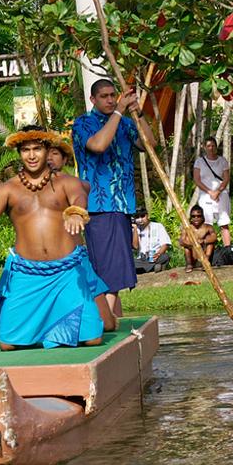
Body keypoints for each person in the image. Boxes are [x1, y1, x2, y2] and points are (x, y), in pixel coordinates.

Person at [0, 126, 115, 349]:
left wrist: (76, 212)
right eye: (25, 150)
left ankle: (56, 329)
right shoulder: (7, 188)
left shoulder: (67, 182)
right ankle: (49, 330)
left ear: (48, 150)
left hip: (67, 272)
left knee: (94, 338)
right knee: (7, 344)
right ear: (19, 153)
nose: (31, 155)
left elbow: (79, 197)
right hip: (27, 273)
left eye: (37, 149)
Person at [72, 78, 155, 318]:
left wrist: (137, 114)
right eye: (105, 96)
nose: (110, 100)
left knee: (116, 270)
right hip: (99, 206)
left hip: (121, 206)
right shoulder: (83, 123)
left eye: (112, 95)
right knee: (109, 270)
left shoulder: (125, 123)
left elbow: (150, 144)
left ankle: (114, 320)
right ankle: (104, 323)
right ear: (93, 99)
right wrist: (119, 110)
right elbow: (98, 145)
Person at [193, 136, 231, 247]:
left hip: (221, 194)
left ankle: (227, 248)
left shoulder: (222, 161)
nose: (211, 148)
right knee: (206, 223)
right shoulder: (199, 162)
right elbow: (197, 179)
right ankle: (207, 249)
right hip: (205, 194)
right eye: (208, 146)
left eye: (213, 145)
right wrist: (210, 192)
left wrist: (218, 191)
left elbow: (226, 178)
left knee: (224, 222)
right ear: (204, 147)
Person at [131, 209, 171, 273]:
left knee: (165, 256)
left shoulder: (158, 226)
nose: (140, 219)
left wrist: (158, 254)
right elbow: (135, 247)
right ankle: (153, 267)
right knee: (129, 261)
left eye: (142, 216)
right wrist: (135, 229)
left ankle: (145, 268)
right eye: (137, 217)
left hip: (155, 257)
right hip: (141, 258)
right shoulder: (135, 229)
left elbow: (165, 244)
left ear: (147, 216)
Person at [179, 205, 217, 272]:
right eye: (193, 216)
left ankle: (205, 263)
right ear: (191, 217)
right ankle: (189, 264)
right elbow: (181, 241)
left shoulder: (208, 227)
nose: (196, 218)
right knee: (186, 242)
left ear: (202, 217)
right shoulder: (187, 228)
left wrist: (204, 241)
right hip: (193, 257)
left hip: (205, 255)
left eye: (198, 216)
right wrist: (193, 244)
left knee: (210, 241)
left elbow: (214, 237)